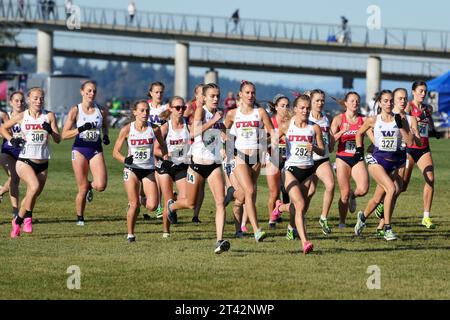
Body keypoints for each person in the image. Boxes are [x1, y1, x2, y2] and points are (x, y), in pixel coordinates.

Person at [167, 83, 231, 254]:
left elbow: (224, 132)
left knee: (220, 203)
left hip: (214, 164)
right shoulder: (201, 111)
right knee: (190, 203)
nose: (216, 99)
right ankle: (171, 207)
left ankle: (219, 240)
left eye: (218, 95)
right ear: (204, 97)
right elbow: (194, 133)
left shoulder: (218, 114)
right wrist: (214, 121)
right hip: (196, 165)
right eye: (212, 96)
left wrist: (229, 141)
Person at [0, 87, 61, 238]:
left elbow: (58, 140)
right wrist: (12, 139)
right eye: (35, 98)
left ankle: (18, 222)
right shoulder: (22, 116)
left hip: (43, 162)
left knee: (33, 195)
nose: (38, 101)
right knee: (33, 187)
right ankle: (27, 218)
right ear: (29, 100)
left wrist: (51, 131)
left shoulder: (49, 116)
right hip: (25, 160)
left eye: (41, 98)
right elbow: (3, 128)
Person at [354, 90, 414, 240]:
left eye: (390, 101)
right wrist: (359, 151)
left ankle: (362, 217)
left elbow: (410, 142)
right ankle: (387, 228)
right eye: (385, 101)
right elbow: (359, 133)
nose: (389, 104)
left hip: (393, 164)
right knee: (391, 189)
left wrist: (401, 127)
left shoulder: (400, 119)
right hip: (377, 161)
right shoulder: (373, 120)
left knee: (377, 198)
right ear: (380, 103)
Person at [224, 80, 275, 242]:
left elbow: (271, 132)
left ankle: (238, 227)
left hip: (256, 157)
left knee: (244, 197)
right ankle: (256, 230)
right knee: (250, 191)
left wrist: (267, 146)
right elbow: (224, 132)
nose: (250, 95)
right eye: (247, 92)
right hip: (239, 156)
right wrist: (228, 150)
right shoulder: (233, 113)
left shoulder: (260, 112)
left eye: (253, 92)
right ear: (240, 94)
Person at [112, 100, 169, 242]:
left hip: (148, 169)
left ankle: (138, 199)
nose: (145, 113)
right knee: (134, 205)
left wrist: (165, 159)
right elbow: (115, 152)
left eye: (147, 111)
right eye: (142, 110)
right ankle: (130, 234)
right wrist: (125, 160)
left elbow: (163, 145)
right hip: (132, 169)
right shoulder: (127, 129)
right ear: (135, 112)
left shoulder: (154, 129)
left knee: (153, 206)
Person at [277, 94, 325, 254]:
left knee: (299, 208)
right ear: (296, 109)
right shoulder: (287, 126)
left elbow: (322, 149)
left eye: (307, 108)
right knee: (301, 205)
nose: (305, 111)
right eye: (302, 108)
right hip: (290, 170)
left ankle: (281, 207)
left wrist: (315, 148)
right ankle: (305, 242)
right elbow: (271, 140)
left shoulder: (314, 128)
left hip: (308, 171)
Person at [61, 81, 109, 226]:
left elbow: (105, 125)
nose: (91, 94)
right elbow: (64, 135)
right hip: (80, 149)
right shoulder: (75, 110)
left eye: (94, 91)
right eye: (88, 91)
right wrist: (80, 129)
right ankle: (80, 217)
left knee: (101, 185)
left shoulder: (101, 110)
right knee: (81, 187)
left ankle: (89, 187)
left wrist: (105, 135)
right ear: (82, 92)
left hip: (95, 149)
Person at [403, 81, 440, 229]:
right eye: (420, 91)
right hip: (409, 149)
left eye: (425, 91)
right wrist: (418, 118)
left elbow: (428, 117)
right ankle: (383, 203)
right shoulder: (408, 106)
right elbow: (404, 121)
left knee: (430, 179)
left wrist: (434, 130)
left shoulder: (426, 108)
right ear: (413, 92)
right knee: (402, 186)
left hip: (424, 149)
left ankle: (426, 217)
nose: (423, 94)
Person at [330, 92, 369, 228]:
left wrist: (373, 147)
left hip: (357, 158)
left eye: (357, 101)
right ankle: (342, 221)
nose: (355, 103)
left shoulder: (363, 120)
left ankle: (354, 194)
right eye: (352, 101)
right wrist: (342, 132)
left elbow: (374, 137)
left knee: (363, 189)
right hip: (342, 158)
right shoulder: (339, 119)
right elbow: (330, 142)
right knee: (344, 194)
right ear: (346, 103)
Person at [153, 96, 190, 237]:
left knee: (186, 198)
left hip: (182, 165)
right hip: (166, 166)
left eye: (183, 107)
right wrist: (166, 154)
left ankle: (172, 207)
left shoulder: (188, 124)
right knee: (167, 198)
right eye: (177, 108)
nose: (181, 110)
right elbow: (155, 149)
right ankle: (165, 231)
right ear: (170, 109)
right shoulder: (165, 127)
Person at [306, 89, 335, 235]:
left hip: (322, 159)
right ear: (311, 101)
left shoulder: (325, 117)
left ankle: (323, 217)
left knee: (330, 185)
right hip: (307, 160)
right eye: (317, 100)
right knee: (308, 192)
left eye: (322, 100)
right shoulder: (306, 116)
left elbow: (327, 135)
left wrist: (331, 141)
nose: (320, 103)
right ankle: (295, 222)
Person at [265, 94, 291, 229]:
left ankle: (282, 203)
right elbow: (265, 141)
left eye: (287, 106)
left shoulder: (292, 122)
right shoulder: (270, 122)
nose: (285, 108)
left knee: (288, 188)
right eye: (282, 106)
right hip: (273, 158)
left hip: (289, 159)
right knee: (274, 192)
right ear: (276, 107)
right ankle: (272, 219)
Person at [0, 91, 25, 216]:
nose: (19, 103)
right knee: (14, 177)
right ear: (10, 102)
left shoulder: (28, 115)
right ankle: (15, 212)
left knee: (15, 179)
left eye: (21, 100)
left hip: (24, 152)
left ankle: (1, 191)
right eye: (16, 100)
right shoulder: (6, 116)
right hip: (8, 151)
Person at [147, 82, 169, 219]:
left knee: (159, 174)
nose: (159, 95)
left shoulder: (166, 109)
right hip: (145, 145)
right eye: (156, 92)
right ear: (150, 93)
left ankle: (160, 206)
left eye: (161, 92)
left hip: (160, 146)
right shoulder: (145, 108)